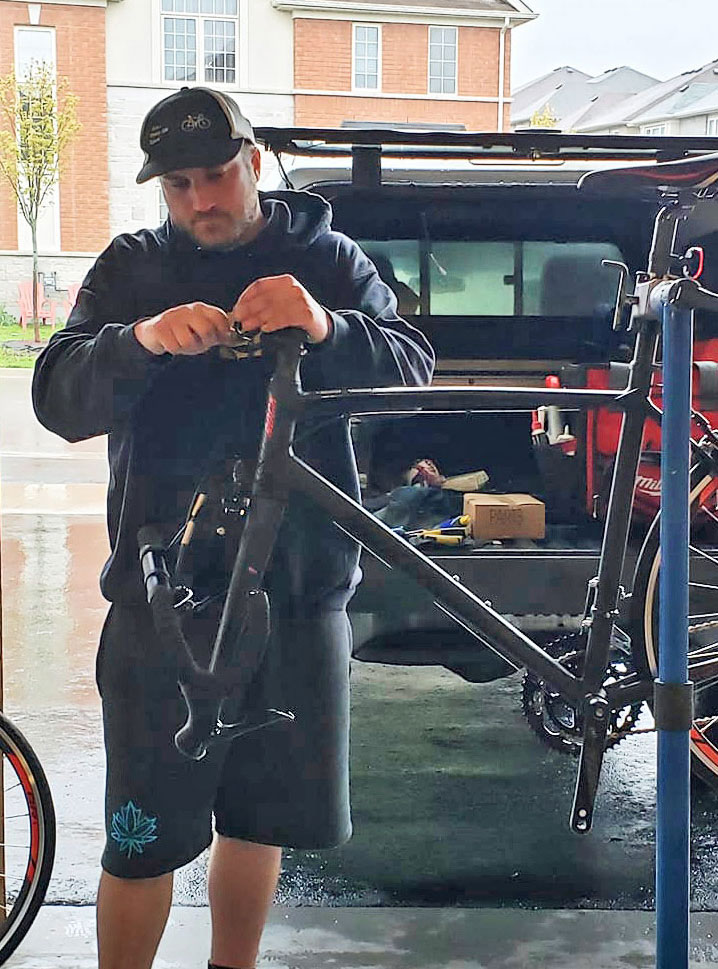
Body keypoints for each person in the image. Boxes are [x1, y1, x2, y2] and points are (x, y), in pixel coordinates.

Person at [32, 86, 434, 969]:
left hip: (297, 592)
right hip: (159, 600)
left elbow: (411, 370)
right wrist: (137, 340)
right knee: (139, 836)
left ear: (254, 162)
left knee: (260, 821)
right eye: (178, 184)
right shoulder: (132, 267)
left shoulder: (327, 257)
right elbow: (55, 397)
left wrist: (325, 323)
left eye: (216, 174)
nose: (200, 200)